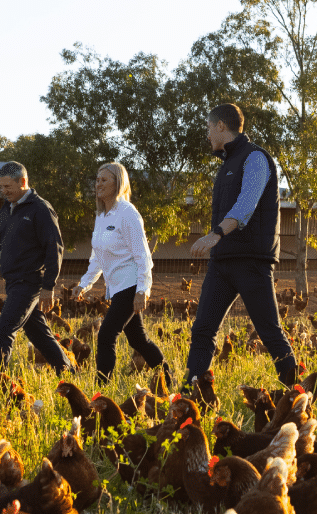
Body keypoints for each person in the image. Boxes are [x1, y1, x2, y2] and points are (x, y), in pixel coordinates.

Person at [184, 102, 298, 397]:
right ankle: (191, 394)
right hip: (222, 263)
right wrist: (217, 243)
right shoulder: (226, 166)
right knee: (202, 331)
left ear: (221, 126)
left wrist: (216, 234)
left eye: (209, 128)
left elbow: (246, 204)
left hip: (251, 261)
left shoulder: (256, 158)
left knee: (269, 333)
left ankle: (297, 394)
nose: (208, 135)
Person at [0, 161, 70, 372]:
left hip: (30, 282)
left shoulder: (41, 209)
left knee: (3, 331)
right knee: (38, 333)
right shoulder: (8, 208)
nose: (4, 191)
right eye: (1, 187)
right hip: (13, 282)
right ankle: (68, 372)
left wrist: (49, 287)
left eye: (8, 187)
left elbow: (55, 249)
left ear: (22, 182)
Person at [74, 162, 167, 382]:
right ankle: (167, 376)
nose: (98, 184)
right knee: (138, 340)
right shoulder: (102, 216)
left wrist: (143, 290)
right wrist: (84, 284)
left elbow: (143, 255)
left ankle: (102, 386)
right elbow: (98, 257)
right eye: (97, 180)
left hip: (131, 285)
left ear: (119, 183)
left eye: (104, 180)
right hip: (117, 288)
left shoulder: (127, 213)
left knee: (106, 335)